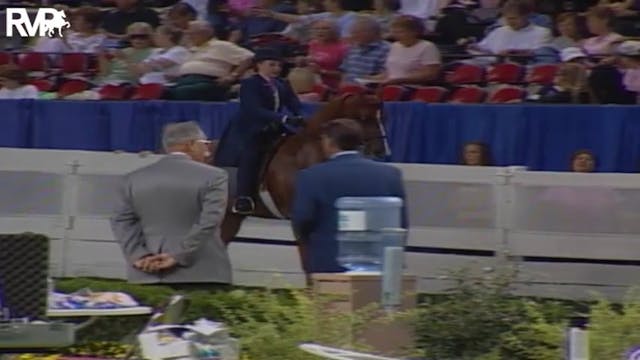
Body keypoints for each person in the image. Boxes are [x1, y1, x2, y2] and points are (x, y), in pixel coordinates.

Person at [111, 121, 231, 287]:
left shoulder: (132, 179)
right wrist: (177, 255)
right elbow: (210, 221)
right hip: (202, 272)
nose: (207, 152)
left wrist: (138, 256)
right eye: (205, 144)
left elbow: (122, 222)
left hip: (146, 273)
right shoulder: (215, 176)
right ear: (190, 145)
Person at [291, 119, 407, 273]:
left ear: (330, 143)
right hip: (381, 266)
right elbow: (402, 223)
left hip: (328, 264)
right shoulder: (390, 175)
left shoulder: (311, 176)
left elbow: (302, 220)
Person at [215, 48, 304, 215]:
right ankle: (243, 197)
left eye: (279, 65)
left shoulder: (282, 84)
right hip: (252, 128)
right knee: (252, 154)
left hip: (274, 126)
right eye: (272, 65)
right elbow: (253, 109)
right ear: (259, 65)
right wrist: (283, 118)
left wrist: (301, 117)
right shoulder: (250, 84)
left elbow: (294, 104)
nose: (277, 69)